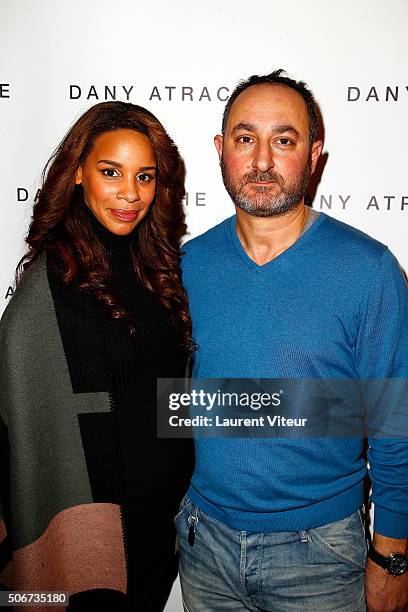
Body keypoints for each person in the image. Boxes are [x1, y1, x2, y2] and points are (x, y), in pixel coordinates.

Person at [177, 70, 408, 611]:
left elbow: (395, 422)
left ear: (314, 154)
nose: (261, 161)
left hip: (323, 555)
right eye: (244, 138)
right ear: (220, 150)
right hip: (202, 544)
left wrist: (393, 554)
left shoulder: (369, 271)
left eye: (283, 140)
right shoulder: (185, 266)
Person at [0, 101, 194, 611]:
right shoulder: (53, 284)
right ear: (79, 172)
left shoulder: (157, 268)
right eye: (112, 173)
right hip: (94, 535)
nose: (130, 194)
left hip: (164, 530)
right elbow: (22, 426)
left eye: (145, 176)